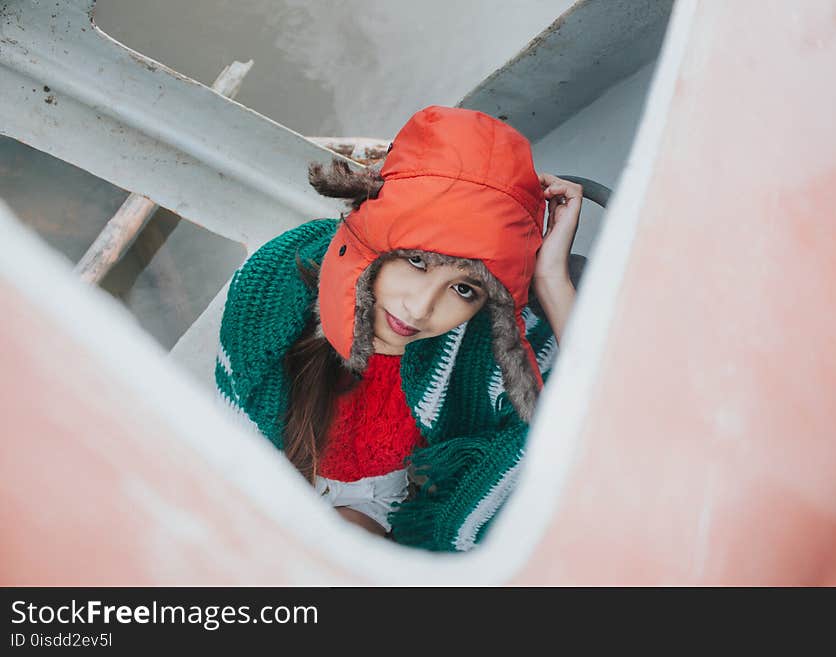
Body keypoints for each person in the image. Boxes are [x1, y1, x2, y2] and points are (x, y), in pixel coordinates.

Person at [215, 105, 582, 551]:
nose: (420, 309)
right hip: (270, 465)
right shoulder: (276, 286)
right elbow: (233, 437)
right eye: (416, 260)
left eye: (464, 289)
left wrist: (551, 283)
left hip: (380, 497)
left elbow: (596, 433)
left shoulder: (491, 344)